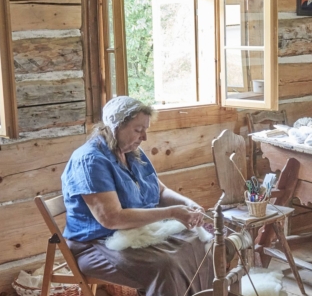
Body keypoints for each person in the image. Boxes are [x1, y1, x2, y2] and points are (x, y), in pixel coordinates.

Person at [61, 96, 214, 296]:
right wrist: (173, 212)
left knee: (197, 244)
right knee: (165, 265)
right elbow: (112, 218)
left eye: (145, 130)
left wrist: (188, 203)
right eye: (138, 130)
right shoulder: (90, 161)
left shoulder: (134, 153)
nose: (144, 137)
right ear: (115, 126)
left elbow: (160, 191)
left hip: (136, 233)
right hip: (96, 244)